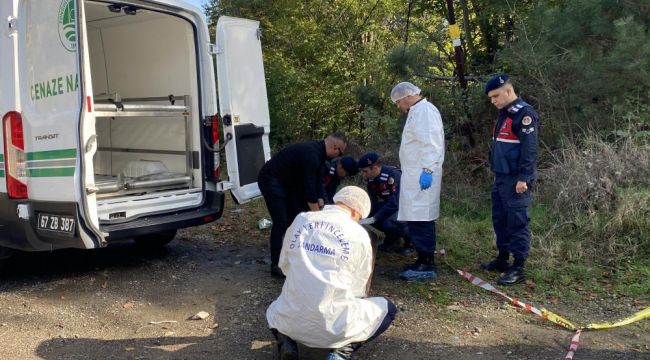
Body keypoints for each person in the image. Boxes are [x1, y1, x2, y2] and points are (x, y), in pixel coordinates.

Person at [266, 186, 397, 360]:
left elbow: (285, 266)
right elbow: (359, 288)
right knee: (388, 309)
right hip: (334, 326)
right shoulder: (358, 233)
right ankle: (341, 352)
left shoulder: (302, 219)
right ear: (355, 212)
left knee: (275, 308)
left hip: (292, 321)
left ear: (337, 201)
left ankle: (287, 343)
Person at [258, 132, 348, 278]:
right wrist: (318, 217)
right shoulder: (312, 154)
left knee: (293, 219)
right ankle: (276, 265)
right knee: (281, 221)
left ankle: (291, 256)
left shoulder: (320, 155)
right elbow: (308, 189)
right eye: (341, 152)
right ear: (335, 147)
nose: (339, 156)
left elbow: (318, 183)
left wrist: (323, 206)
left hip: (287, 183)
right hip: (271, 180)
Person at [480, 73, 538, 286]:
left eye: (495, 96)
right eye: (491, 98)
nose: (493, 101)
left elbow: (529, 150)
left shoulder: (524, 114)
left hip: (516, 180)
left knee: (517, 222)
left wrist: (524, 178)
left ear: (508, 91)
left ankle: (518, 266)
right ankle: (503, 258)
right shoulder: (504, 113)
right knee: (500, 220)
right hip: (501, 178)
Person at [390, 82, 445, 282]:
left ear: (406, 97)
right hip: (414, 174)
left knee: (422, 218)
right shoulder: (417, 111)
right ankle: (422, 258)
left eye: (398, 102)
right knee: (416, 218)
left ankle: (427, 263)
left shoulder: (425, 112)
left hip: (423, 175)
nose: (398, 106)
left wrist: (428, 169)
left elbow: (431, 143)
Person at [357, 152, 413, 255]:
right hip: (391, 205)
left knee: (388, 223)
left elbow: (394, 203)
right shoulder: (372, 179)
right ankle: (391, 239)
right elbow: (372, 201)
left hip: (407, 207)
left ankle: (410, 242)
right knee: (367, 214)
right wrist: (363, 216)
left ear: (374, 168)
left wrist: (375, 218)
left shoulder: (392, 176)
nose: (364, 175)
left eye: (365, 171)